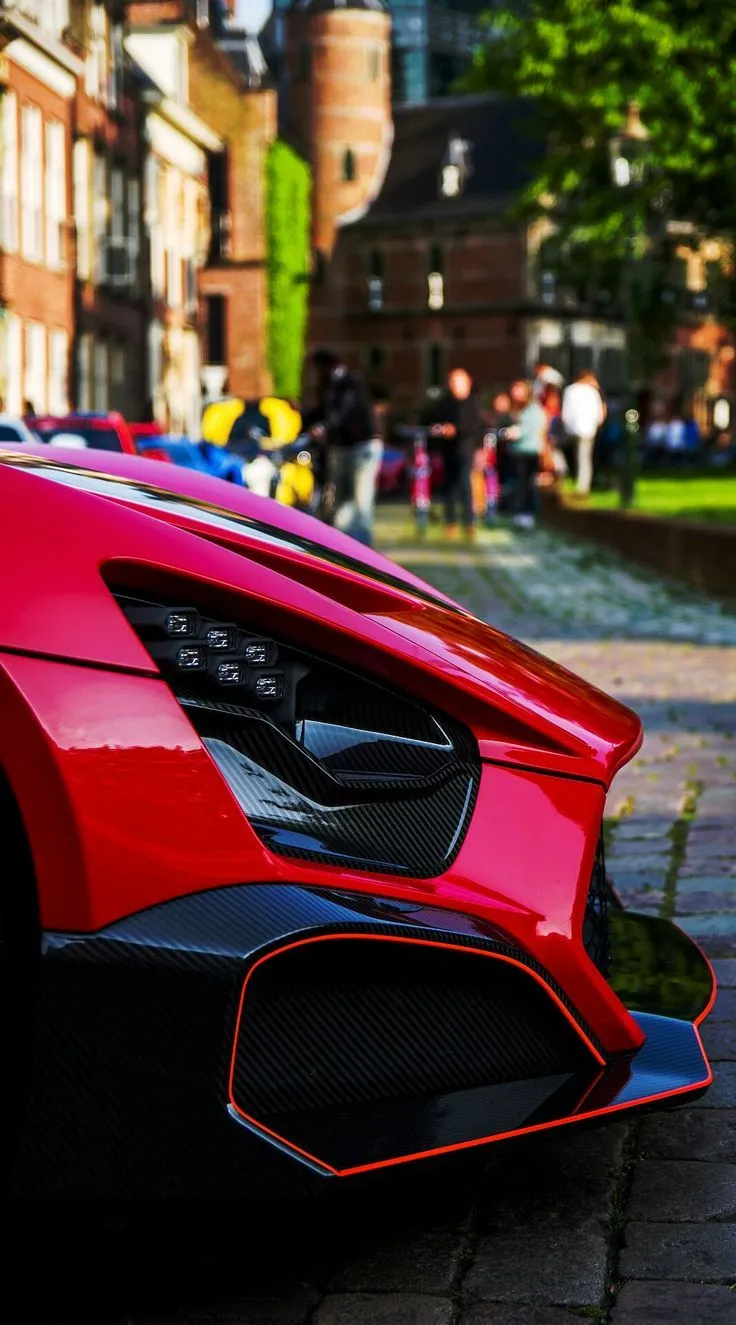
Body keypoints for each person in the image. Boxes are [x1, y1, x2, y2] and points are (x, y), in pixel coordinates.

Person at [306, 348, 383, 547]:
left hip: (362, 446)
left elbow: (345, 411)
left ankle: (364, 548)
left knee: (361, 499)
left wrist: (325, 427)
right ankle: (342, 545)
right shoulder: (327, 385)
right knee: (339, 499)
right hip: (340, 447)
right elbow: (321, 411)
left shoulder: (351, 382)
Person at [430, 367, 484, 539]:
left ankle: (469, 522)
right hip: (448, 450)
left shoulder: (473, 402)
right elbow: (435, 420)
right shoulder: (445, 402)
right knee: (449, 487)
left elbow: (473, 426)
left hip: (465, 450)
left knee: (465, 486)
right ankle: (450, 522)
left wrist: (455, 429)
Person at [561, 370, 606, 494]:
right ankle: (582, 485)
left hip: (572, 428)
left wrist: (567, 426)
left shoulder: (570, 390)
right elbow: (599, 413)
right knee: (584, 457)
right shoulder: (592, 392)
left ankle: (569, 478)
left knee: (575, 455)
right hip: (588, 429)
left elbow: (566, 412)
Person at [511, 381, 547, 528]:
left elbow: (531, 430)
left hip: (530, 451)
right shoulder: (520, 409)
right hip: (519, 451)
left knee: (528, 483)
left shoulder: (534, 410)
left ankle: (527, 513)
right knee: (520, 483)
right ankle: (520, 512)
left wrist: (517, 432)